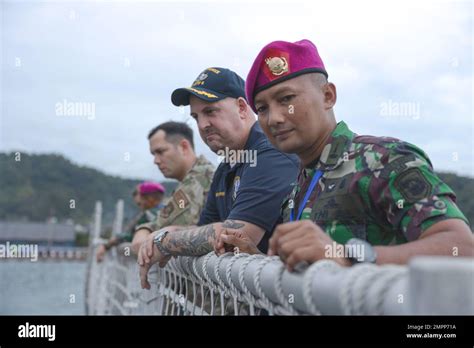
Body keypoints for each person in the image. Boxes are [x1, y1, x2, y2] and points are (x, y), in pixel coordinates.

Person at [216, 39, 473, 271]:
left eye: (286, 99)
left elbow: (461, 248)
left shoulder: (383, 160)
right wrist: (256, 257)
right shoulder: (302, 180)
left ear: (328, 96)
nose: (274, 118)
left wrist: (348, 255)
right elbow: (314, 268)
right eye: (262, 108)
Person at [137, 67, 299, 289]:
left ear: (242, 108)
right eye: (196, 117)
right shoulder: (226, 167)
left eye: (211, 111)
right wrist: (170, 231)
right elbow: (205, 227)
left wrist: (165, 242)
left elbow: (235, 235)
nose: (202, 125)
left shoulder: (270, 153)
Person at [131, 121, 214, 255]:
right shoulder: (190, 181)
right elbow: (161, 223)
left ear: (183, 147)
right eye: (154, 154)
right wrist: (144, 229)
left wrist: (147, 231)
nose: (156, 161)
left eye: (160, 151)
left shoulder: (202, 178)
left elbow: (165, 227)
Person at [96, 182, 165, 262]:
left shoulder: (148, 215)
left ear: (149, 198)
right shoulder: (168, 210)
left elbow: (130, 236)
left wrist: (106, 246)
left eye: (140, 203)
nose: (140, 205)